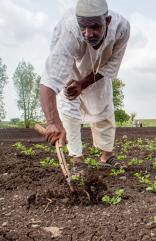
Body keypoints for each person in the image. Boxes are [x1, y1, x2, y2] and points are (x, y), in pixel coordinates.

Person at [39, 0, 130, 175]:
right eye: (84, 27)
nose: (88, 34)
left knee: (103, 104)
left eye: (95, 27)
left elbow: (111, 64)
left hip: (98, 67)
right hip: (70, 65)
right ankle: (77, 160)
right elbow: (49, 80)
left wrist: (83, 84)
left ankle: (106, 155)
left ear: (108, 21)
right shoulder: (70, 31)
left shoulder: (122, 28)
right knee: (69, 104)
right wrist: (52, 122)